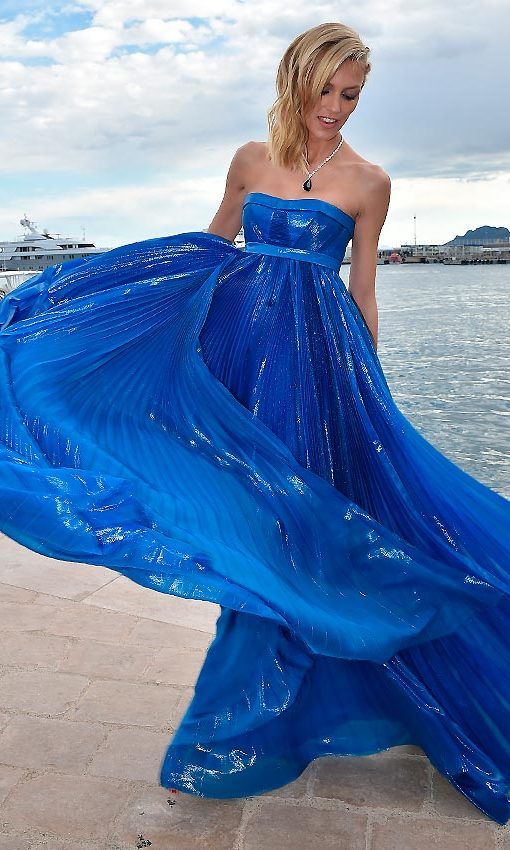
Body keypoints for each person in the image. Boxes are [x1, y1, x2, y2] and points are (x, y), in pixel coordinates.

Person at [1, 21, 509, 824]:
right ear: (296, 79)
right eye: (328, 90)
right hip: (247, 359)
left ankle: (232, 732)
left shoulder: (371, 182)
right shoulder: (250, 159)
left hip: (324, 368)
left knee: (311, 530)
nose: (338, 108)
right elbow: (209, 248)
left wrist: (370, 395)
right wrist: (121, 307)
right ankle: (261, 717)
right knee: (264, 525)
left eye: (353, 96)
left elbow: (364, 292)